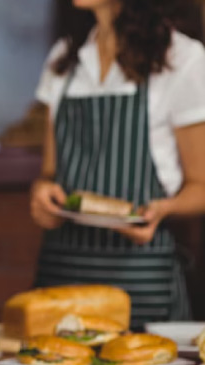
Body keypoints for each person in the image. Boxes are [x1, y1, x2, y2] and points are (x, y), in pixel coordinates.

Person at [30, 0, 205, 327]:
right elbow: (49, 173)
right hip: (61, 281)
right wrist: (42, 195)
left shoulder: (181, 58)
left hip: (141, 281)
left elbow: (202, 185)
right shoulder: (64, 56)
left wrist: (162, 209)